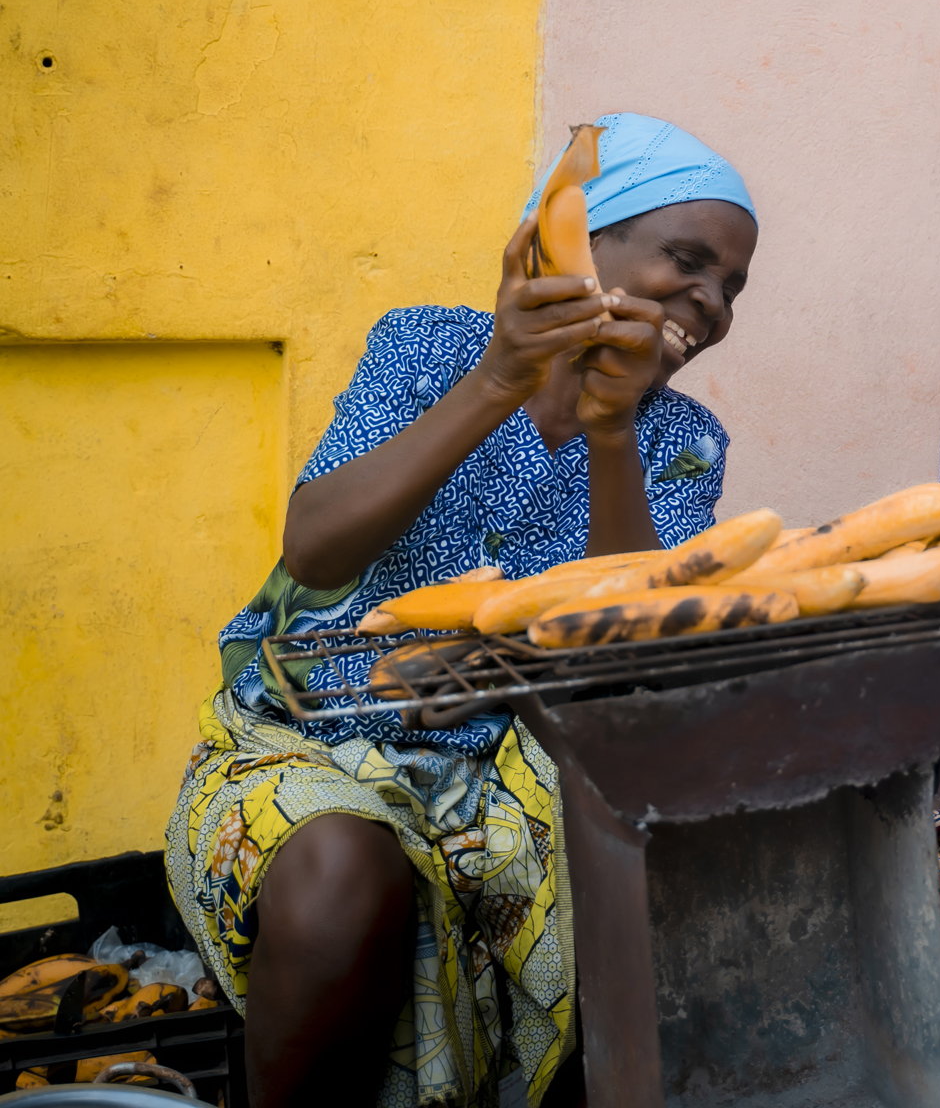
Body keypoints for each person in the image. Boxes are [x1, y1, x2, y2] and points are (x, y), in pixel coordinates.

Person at [165, 113, 759, 1108]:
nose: (710, 302)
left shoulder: (680, 442)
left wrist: (611, 433)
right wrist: (500, 380)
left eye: (731, 285)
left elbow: (626, 665)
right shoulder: (423, 349)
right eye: (688, 261)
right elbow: (314, 548)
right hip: (309, 739)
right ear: (576, 244)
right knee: (339, 877)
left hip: (520, 774)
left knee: (657, 880)